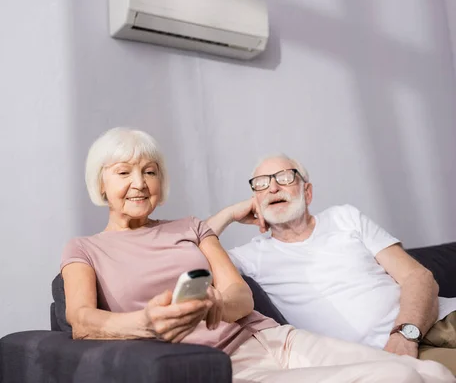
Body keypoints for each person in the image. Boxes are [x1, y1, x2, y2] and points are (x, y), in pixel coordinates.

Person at [61, 128, 455, 382]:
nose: (139, 183)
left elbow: (239, 294)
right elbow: (81, 320)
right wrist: (148, 322)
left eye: (149, 172)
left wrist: (215, 303)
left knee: (431, 372)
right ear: (100, 182)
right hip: (226, 365)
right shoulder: (85, 249)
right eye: (123, 172)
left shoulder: (190, 227)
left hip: (276, 338)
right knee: (398, 379)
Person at [207, 153, 456, 376]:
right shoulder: (250, 257)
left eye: (284, 178)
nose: (273, 188)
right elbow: (186, 256)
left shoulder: (345, 217)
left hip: (437, 320)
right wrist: (228, 214)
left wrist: (405, 334)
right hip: (388, 357)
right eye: (261, 184)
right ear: (255, 201)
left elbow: (418, 277)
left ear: (307, 192)